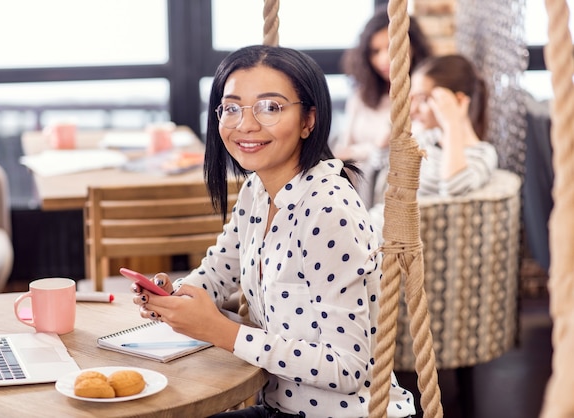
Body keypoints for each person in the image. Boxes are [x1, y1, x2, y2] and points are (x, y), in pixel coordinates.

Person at [131, 45, 415, 417]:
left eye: (271, 107)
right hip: (279, 407)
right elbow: (218, 271)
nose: (245, 125)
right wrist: (176, 297)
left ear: (308, 120)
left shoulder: (328, 211)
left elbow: (348, 368)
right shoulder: (257, 190)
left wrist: (221, 331)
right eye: (231, 108)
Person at [369, 53, 499, 238]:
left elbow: (454, 188)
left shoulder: (482, 153)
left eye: (423, 99)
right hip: (375, 224)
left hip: (402, 240)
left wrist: (452, 123)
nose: (414, 109)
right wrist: (399, 113)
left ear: (459, 101)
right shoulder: (427, 138)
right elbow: (379, 160)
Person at [333, 6, 432, 208]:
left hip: (401, 192)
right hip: (355, 190)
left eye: (389, 48)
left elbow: (418, 150)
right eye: (374, 51)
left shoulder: (421, 96)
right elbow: (342, 150)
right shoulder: (361, 96)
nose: (383, 60)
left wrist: (361, 151)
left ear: (413, 46)